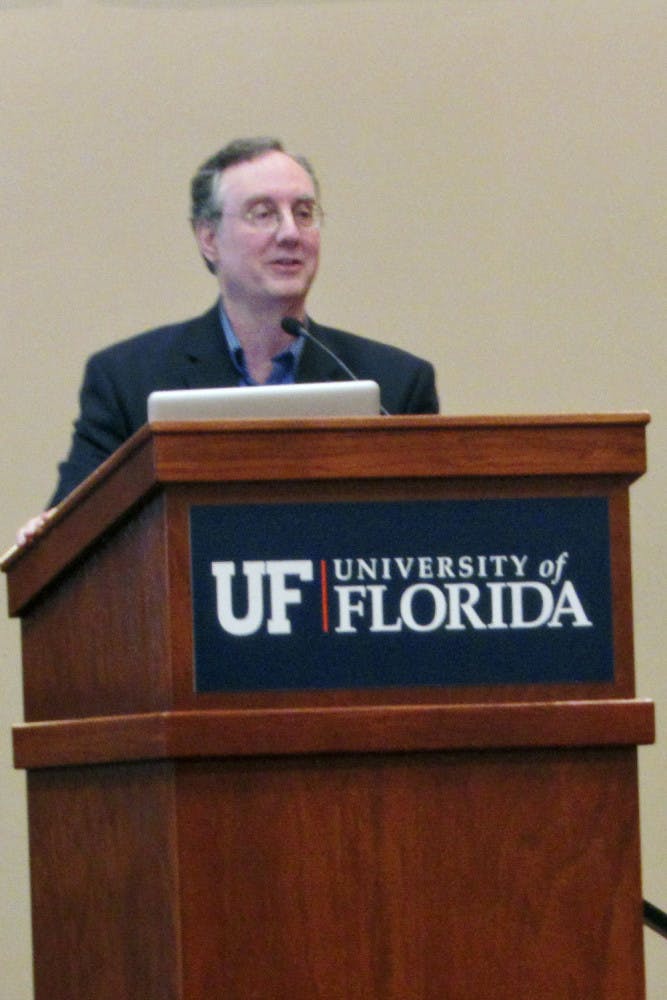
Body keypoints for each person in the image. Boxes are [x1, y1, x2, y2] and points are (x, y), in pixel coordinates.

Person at [17, 137, 438, 544]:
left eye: (304, 213)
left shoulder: (395, 384)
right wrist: (50, 533)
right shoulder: (127, 379)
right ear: (209, 238)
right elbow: (69, 529)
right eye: (263, 213)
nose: (291, 232)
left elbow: (434, 535)